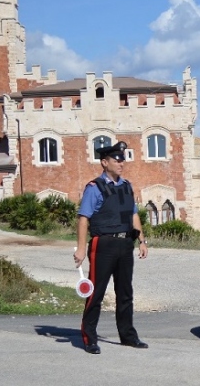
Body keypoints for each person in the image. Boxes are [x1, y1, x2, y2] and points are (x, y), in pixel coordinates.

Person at [73, 141, 149, 354]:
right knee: (95, 292)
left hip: (126, 243)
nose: (121, 163)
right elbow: (83, 218)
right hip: (103, 244)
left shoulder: (126, 186)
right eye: (117, 160)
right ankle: (89, 338)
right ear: (104, 163)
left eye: (123, 159)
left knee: (125, 293)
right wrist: (80, 249)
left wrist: (142, 241)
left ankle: (128, 336)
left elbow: (133, 215)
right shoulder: (94, 188)